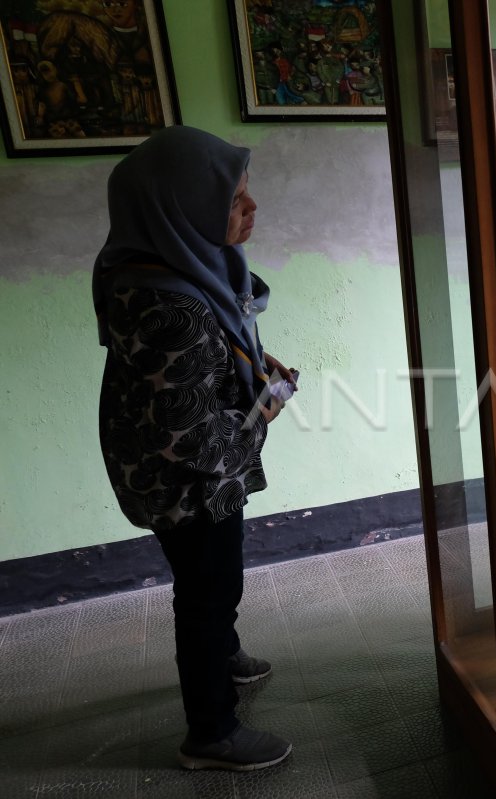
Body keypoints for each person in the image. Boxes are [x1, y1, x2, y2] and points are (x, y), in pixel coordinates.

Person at [93, 126, 297, 769]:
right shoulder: (163, 304)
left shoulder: (182, 263)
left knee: (209, 580)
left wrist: (255, 370)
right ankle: (211, 732)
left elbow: (215, 350)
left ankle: (224, 654)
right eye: (235, 199)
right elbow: (190, 436)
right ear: (180, 207)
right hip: (187, 479)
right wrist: (265, 413)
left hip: (178, 459)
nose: (252, 208)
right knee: (207, 589)